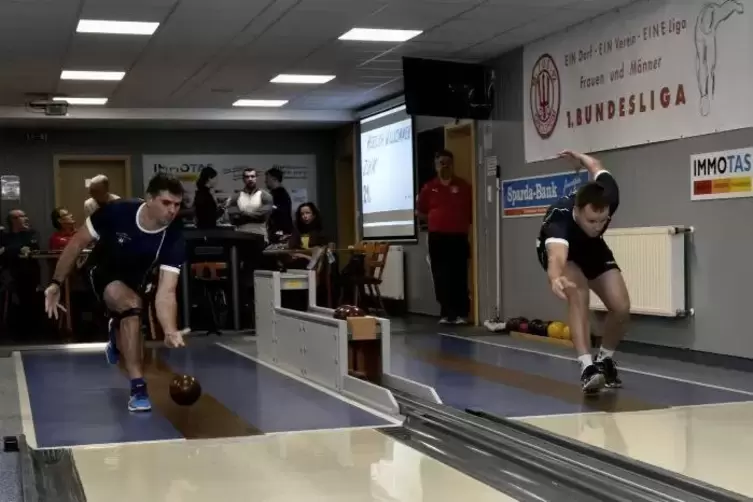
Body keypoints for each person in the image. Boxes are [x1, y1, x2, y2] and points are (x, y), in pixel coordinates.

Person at [44, 173, 190, 412]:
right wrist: (55, 283)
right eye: (166, 203)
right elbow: (77, 243)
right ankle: (138, 387)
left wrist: (170, 329)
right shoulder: (118, 211)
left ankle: (114, 330)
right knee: (131, 308)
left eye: (177, 204)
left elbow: (166, 290)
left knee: (131, 320)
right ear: (149, 199)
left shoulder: (174, 235)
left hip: (135, 282)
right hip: (100, 272)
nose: (172, 210)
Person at [536, 150, 630, 394]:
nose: (598, 227)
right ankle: (587, 368)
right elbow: (557, 256)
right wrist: (555, 278)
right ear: (578, 210)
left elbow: (596, 164)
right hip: (561, 251)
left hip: (590, 249)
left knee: (621, 307)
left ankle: (605, 360)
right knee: (578, 292)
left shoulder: (609, 196)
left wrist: (579, 157)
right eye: (591, 221)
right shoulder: (560, 220)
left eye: (603, 221)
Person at [416, 149, 473, 325]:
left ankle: (462, 313)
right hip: (438, 238)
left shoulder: (463, 186)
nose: (444, 165)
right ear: (436, 166)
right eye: (441, 162)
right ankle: (447, 313)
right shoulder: (429, 188)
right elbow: (420, 211)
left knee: (459, 274)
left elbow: (471, 211)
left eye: (447, 162)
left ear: (452, 164)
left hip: (458, 237)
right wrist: (435, 219)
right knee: (441, 275)